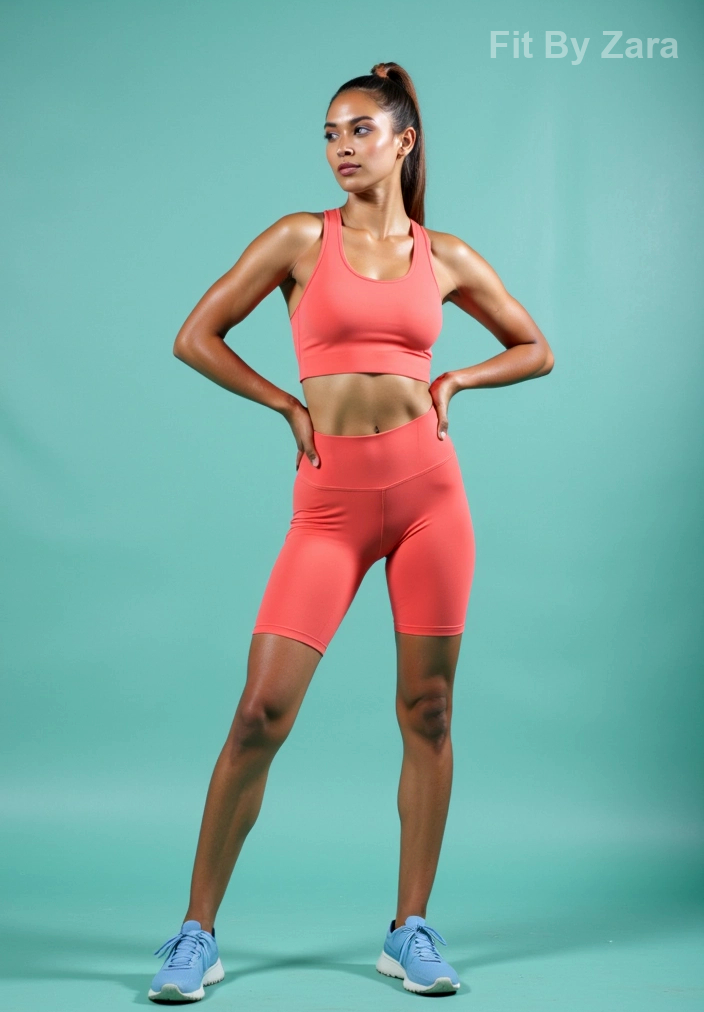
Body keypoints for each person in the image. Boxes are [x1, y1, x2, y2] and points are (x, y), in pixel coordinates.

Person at [148, 61, 554, 1002]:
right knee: (260, 713)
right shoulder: (300, 238)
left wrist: (457, 380)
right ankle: (195, 934)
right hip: (330, 504)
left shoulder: (443, 255)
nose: (341, 146)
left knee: (430, 711)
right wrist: (286, 405)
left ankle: (410, 929)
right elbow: (195, 335)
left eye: (360, 129)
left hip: (429, 498)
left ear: (403, 141)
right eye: (330, 132)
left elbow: (535, 347)